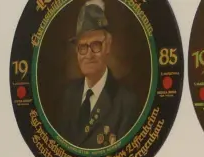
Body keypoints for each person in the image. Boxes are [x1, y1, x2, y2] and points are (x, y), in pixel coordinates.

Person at [54, 0, 142, 149]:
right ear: (76, 51)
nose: (88, 54)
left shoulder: (126, 103)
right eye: (82, 47)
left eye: (95, 45)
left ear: (108, 45)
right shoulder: (68, 95)